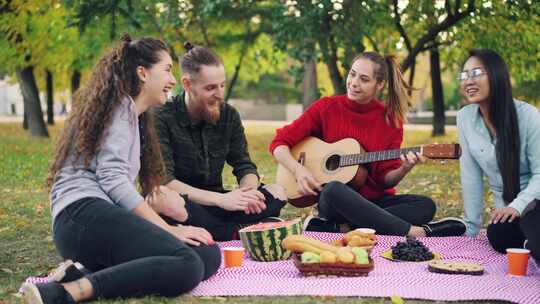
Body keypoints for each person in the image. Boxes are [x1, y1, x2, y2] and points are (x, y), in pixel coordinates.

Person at [20, 34, 221, 304]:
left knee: (206, 255)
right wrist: (167, 228)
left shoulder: (135, 117)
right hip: (81, 215)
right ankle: (63, 293)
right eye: (167, 70)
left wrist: (163, 217)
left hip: (95, 218)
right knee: (188, 264)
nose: (173, 80)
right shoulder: (120, 106)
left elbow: (117, 184)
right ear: (142, 73)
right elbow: (112, 180)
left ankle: (77, 275)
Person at [270, 52, 466, 237]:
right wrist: (298, 170)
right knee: (334, 188)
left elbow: (385, 180)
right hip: (336, 202)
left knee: (425, 205)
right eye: (352, 74)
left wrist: (405, 167)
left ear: (379, 84)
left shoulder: (391, 121)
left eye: (364, 79)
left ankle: (343, 228)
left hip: (375, 201)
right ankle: (415, 232)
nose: (354, 83)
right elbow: (279, 143)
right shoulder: (327, 107)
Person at [152, 42, 287, 241]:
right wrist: (222, 200)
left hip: (220, 205)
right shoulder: (161, 117)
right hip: (185, 205)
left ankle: (226, 229)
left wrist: (247, 193)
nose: (220, 94)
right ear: (188, 84)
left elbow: (244, 164)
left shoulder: (229, 115)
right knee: (163, 200)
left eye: (222, 85)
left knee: (278, 193)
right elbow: (166, 182)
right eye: (210, 88)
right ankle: (234, 231)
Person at [457, 49, 539, 261]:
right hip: (508, 215)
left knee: (533, 225)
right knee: (497, 234)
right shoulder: (465, 118)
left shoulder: (527, 116)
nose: (469, 81)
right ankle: (530, 246)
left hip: (534, 202)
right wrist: (471, 230)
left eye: (476, 73)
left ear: (496, 74)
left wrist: (517, 206)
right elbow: (470, 175)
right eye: (464, 75)